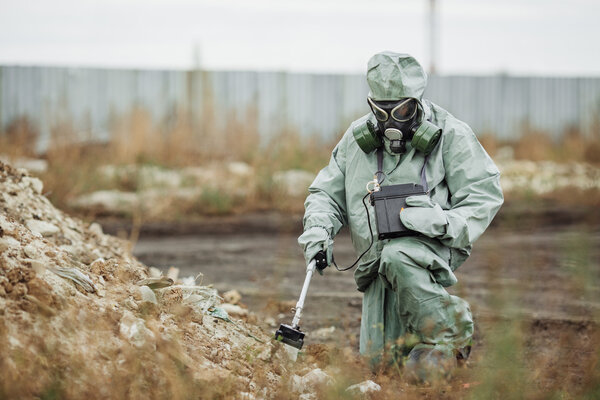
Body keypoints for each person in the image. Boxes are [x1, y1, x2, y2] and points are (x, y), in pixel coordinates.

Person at [298, 52, 503, 382]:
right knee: (382, 368)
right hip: (376, 259)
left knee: (398, 256)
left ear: (417, 102)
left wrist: (444, 221)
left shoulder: (451, 134)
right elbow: (326, 193)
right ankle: (418, 352)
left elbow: (483, 193)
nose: (391, 120)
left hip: (432, 246)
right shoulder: (356, 139)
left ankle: (450, 332)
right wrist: (319, 230)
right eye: (380, 110)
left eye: (402, 110)